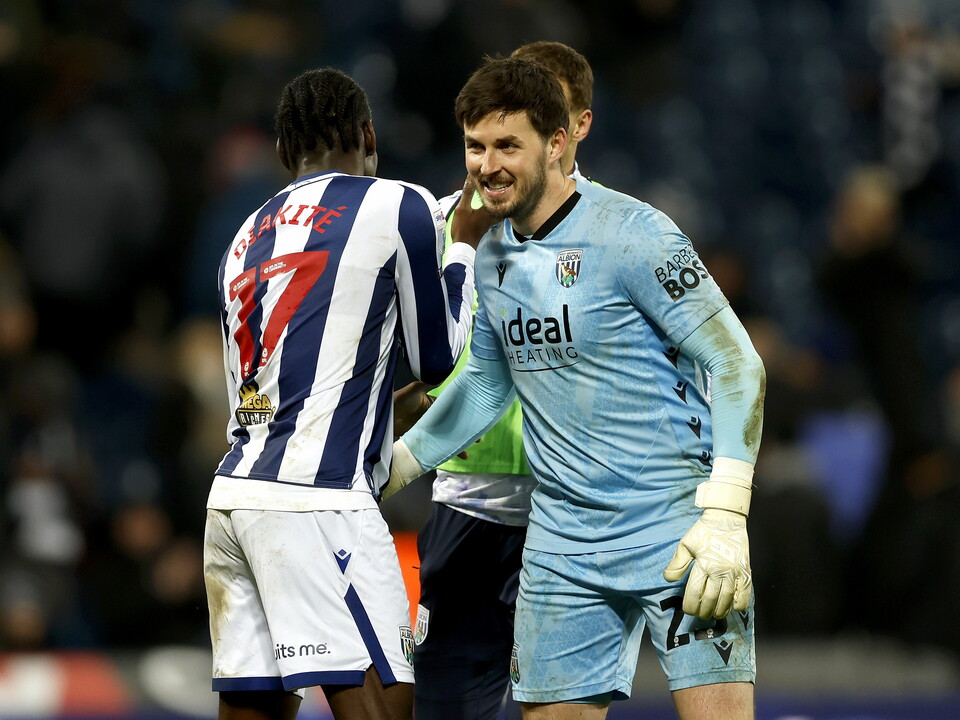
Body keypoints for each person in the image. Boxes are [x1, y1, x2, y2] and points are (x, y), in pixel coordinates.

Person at [387, 56, 765, 720]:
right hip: (562, 547)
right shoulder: (492, 252)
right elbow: (481, 386)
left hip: (674, 532)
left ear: (557, 142)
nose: (487, 165)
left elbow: (738, 365)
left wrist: (727, 514)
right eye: (476, 147)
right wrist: (391, 471)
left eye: (508, 145)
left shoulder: (636, 234)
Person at [202, 67, 479, 720]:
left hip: (234, 503)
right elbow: (440, 362)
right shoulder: (398, 203)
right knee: (384, 705)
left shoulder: (241, 239)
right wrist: (462, 252)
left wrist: (379, 414)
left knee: (257, 710)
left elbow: (257, 406)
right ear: (369, 135)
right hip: (319, 504)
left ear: (281, 153)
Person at [401, 42, 596, 720]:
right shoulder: (438, 222)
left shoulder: (613, 233)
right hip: (469, 505)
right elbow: (432, 360)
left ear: (572, 129)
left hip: (567, 510)